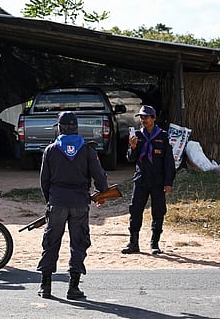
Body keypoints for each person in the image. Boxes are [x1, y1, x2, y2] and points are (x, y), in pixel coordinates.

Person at [37, 111, 108, 300]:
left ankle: (46, 286)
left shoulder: (51, 150)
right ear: (76, 127)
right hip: (79, 203)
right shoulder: (87, 150)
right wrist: (103, 193)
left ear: (60, 128)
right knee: (78, 243)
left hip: (57, 203)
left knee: (51, 243)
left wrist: (50, 201)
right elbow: (99, 177)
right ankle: (73, 288)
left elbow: (44, 181)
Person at [121, 105, 176, 255]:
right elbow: (130, 159)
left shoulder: (163, 136)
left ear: (154, 118)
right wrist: (132, 147)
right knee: (135, 210)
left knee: (158, 211)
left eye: (147, 117)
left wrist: (168, 182)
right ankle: (133, 243)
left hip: (158, 181)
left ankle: (155, 244)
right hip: (141, 179)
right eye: (142, 117)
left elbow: (168, 162)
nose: (144, 120)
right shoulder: (137, 135)